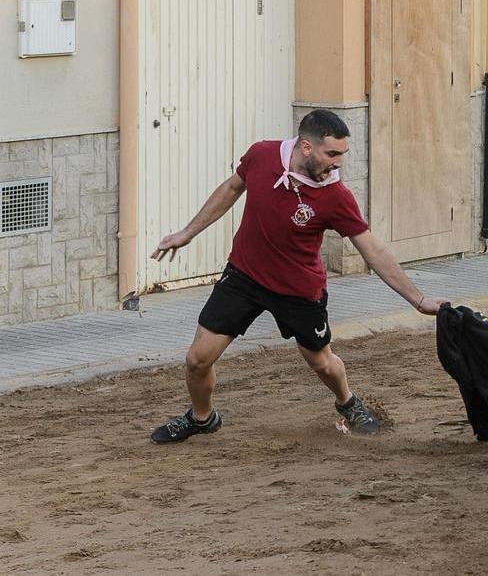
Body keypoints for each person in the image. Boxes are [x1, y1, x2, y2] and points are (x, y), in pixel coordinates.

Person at [148, 109, 450, 444]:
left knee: (322, 363)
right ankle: (202, 418)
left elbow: (373, 251)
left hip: (299, 290)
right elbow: (232, 188)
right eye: (331, 154)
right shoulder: (262, 155)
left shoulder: (335, 196)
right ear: (306, 147)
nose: (338, 164)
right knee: (197, 360)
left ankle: (348, 402)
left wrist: (418, 300)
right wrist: (187, 233)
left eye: (342, 155)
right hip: (245, 276)